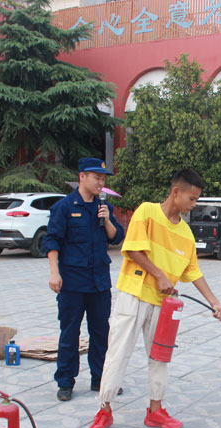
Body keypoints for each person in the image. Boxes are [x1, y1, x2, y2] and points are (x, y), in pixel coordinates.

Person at [86, 169, 221, 428]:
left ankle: (155, 410)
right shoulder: (146, 212)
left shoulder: (185, 233)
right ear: (176, 192)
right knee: (118, 353)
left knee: (160, 358)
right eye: (192, 198)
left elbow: (193, 272)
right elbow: (133, 249)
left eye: (197, 200)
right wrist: (160, 275)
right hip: (134, 295)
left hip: (163, 305)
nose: (194, 205)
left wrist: (215, 303)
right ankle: (104, 411)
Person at [44, 158, 125, 402]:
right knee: (69, 333)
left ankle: (100, 378)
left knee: (101, 332)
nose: (101, 182)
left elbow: (116, 238)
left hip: (99, 281)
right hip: (72, 282)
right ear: (82, 177)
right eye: (96, 177)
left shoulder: (104, 207)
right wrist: (54, 272)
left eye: (103, 178)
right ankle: (66, 381)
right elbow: (52, 241)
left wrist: (108, 219)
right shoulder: (65, 207)